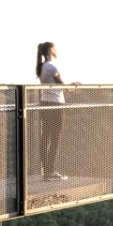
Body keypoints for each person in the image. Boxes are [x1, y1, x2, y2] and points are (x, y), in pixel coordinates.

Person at [35, 41, 68, 179]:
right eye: (55, 48)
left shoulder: (42, 66)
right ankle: (50, 171)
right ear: (50, 50)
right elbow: (62, 84)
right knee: (55, 139)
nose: (57, 50)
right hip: (56, 104)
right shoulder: (52, 67)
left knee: (45, 137)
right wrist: (74, 85)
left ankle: (46, 170)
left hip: (45, 102)